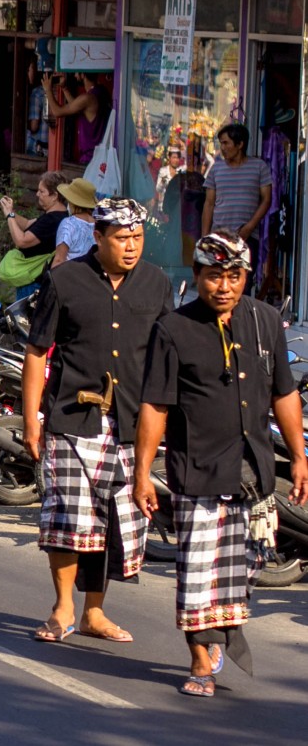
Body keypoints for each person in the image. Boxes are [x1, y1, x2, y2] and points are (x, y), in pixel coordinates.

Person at [134, 231, 308, 697]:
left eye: (234, 276)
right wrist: (141, 473)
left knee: (247, 565)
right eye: (214, 276)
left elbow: (284, 394)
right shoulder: (173, 329)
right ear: (198, 277)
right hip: (199, 472)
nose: (224, 286)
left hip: (254, 474)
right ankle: (199, 657)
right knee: (198, 568)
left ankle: (223, 627)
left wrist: (299, 457)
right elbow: (155, 406)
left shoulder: (267, 321)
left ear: (246, 276)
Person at [21, 198, 170, 644]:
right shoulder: (65, 281)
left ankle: (95, 612)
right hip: (72, 417)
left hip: (132, 423)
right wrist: (31, 418)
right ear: (99, 237)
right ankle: (63, 607)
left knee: (114, 522)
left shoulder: (157, 284)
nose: (131, 247)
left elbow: (167, 358)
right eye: (122, 238)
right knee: (69, 516)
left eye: (137, 238)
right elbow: (35, 351)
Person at [0, 172, 69, 300]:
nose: (37, 194)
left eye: (42, 191)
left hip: (33, 283)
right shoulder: (57, 215)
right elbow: (26, 224)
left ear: (54, 196)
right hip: (33, 280)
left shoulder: (52, 220)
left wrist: (10, 216)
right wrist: (9, 210)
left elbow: (21, 241)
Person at [200, 123, 273, 247]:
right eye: (221, 143)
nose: (222, 148)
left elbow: (266, 200)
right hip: (218, 237)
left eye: (226, 143)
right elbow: (209, 204)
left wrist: (249, 227)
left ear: (240, 144)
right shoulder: (216, 169)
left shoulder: (259, 167)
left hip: (247, 238)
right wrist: (205, 237)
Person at [49, 73, 111, 165]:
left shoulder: (87, 98)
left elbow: (57, 112)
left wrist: (48, 90)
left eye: (77, 73)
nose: (75, 75)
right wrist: (64, 88)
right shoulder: (102, 92)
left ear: (83, 75)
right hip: (99, 157)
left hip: (90, 159)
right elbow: (76, 106)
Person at [51, 177, 98, 266]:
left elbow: (59, 259)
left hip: (70, 275)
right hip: (92, 275)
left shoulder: (68, 224)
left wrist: (49, 279)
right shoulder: (98, 224)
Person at [25, 62, 49, 157]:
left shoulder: (37, 93)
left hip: (36, 147)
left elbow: (34, 126)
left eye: (30, 70)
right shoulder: (55, 92)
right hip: (48, 147)